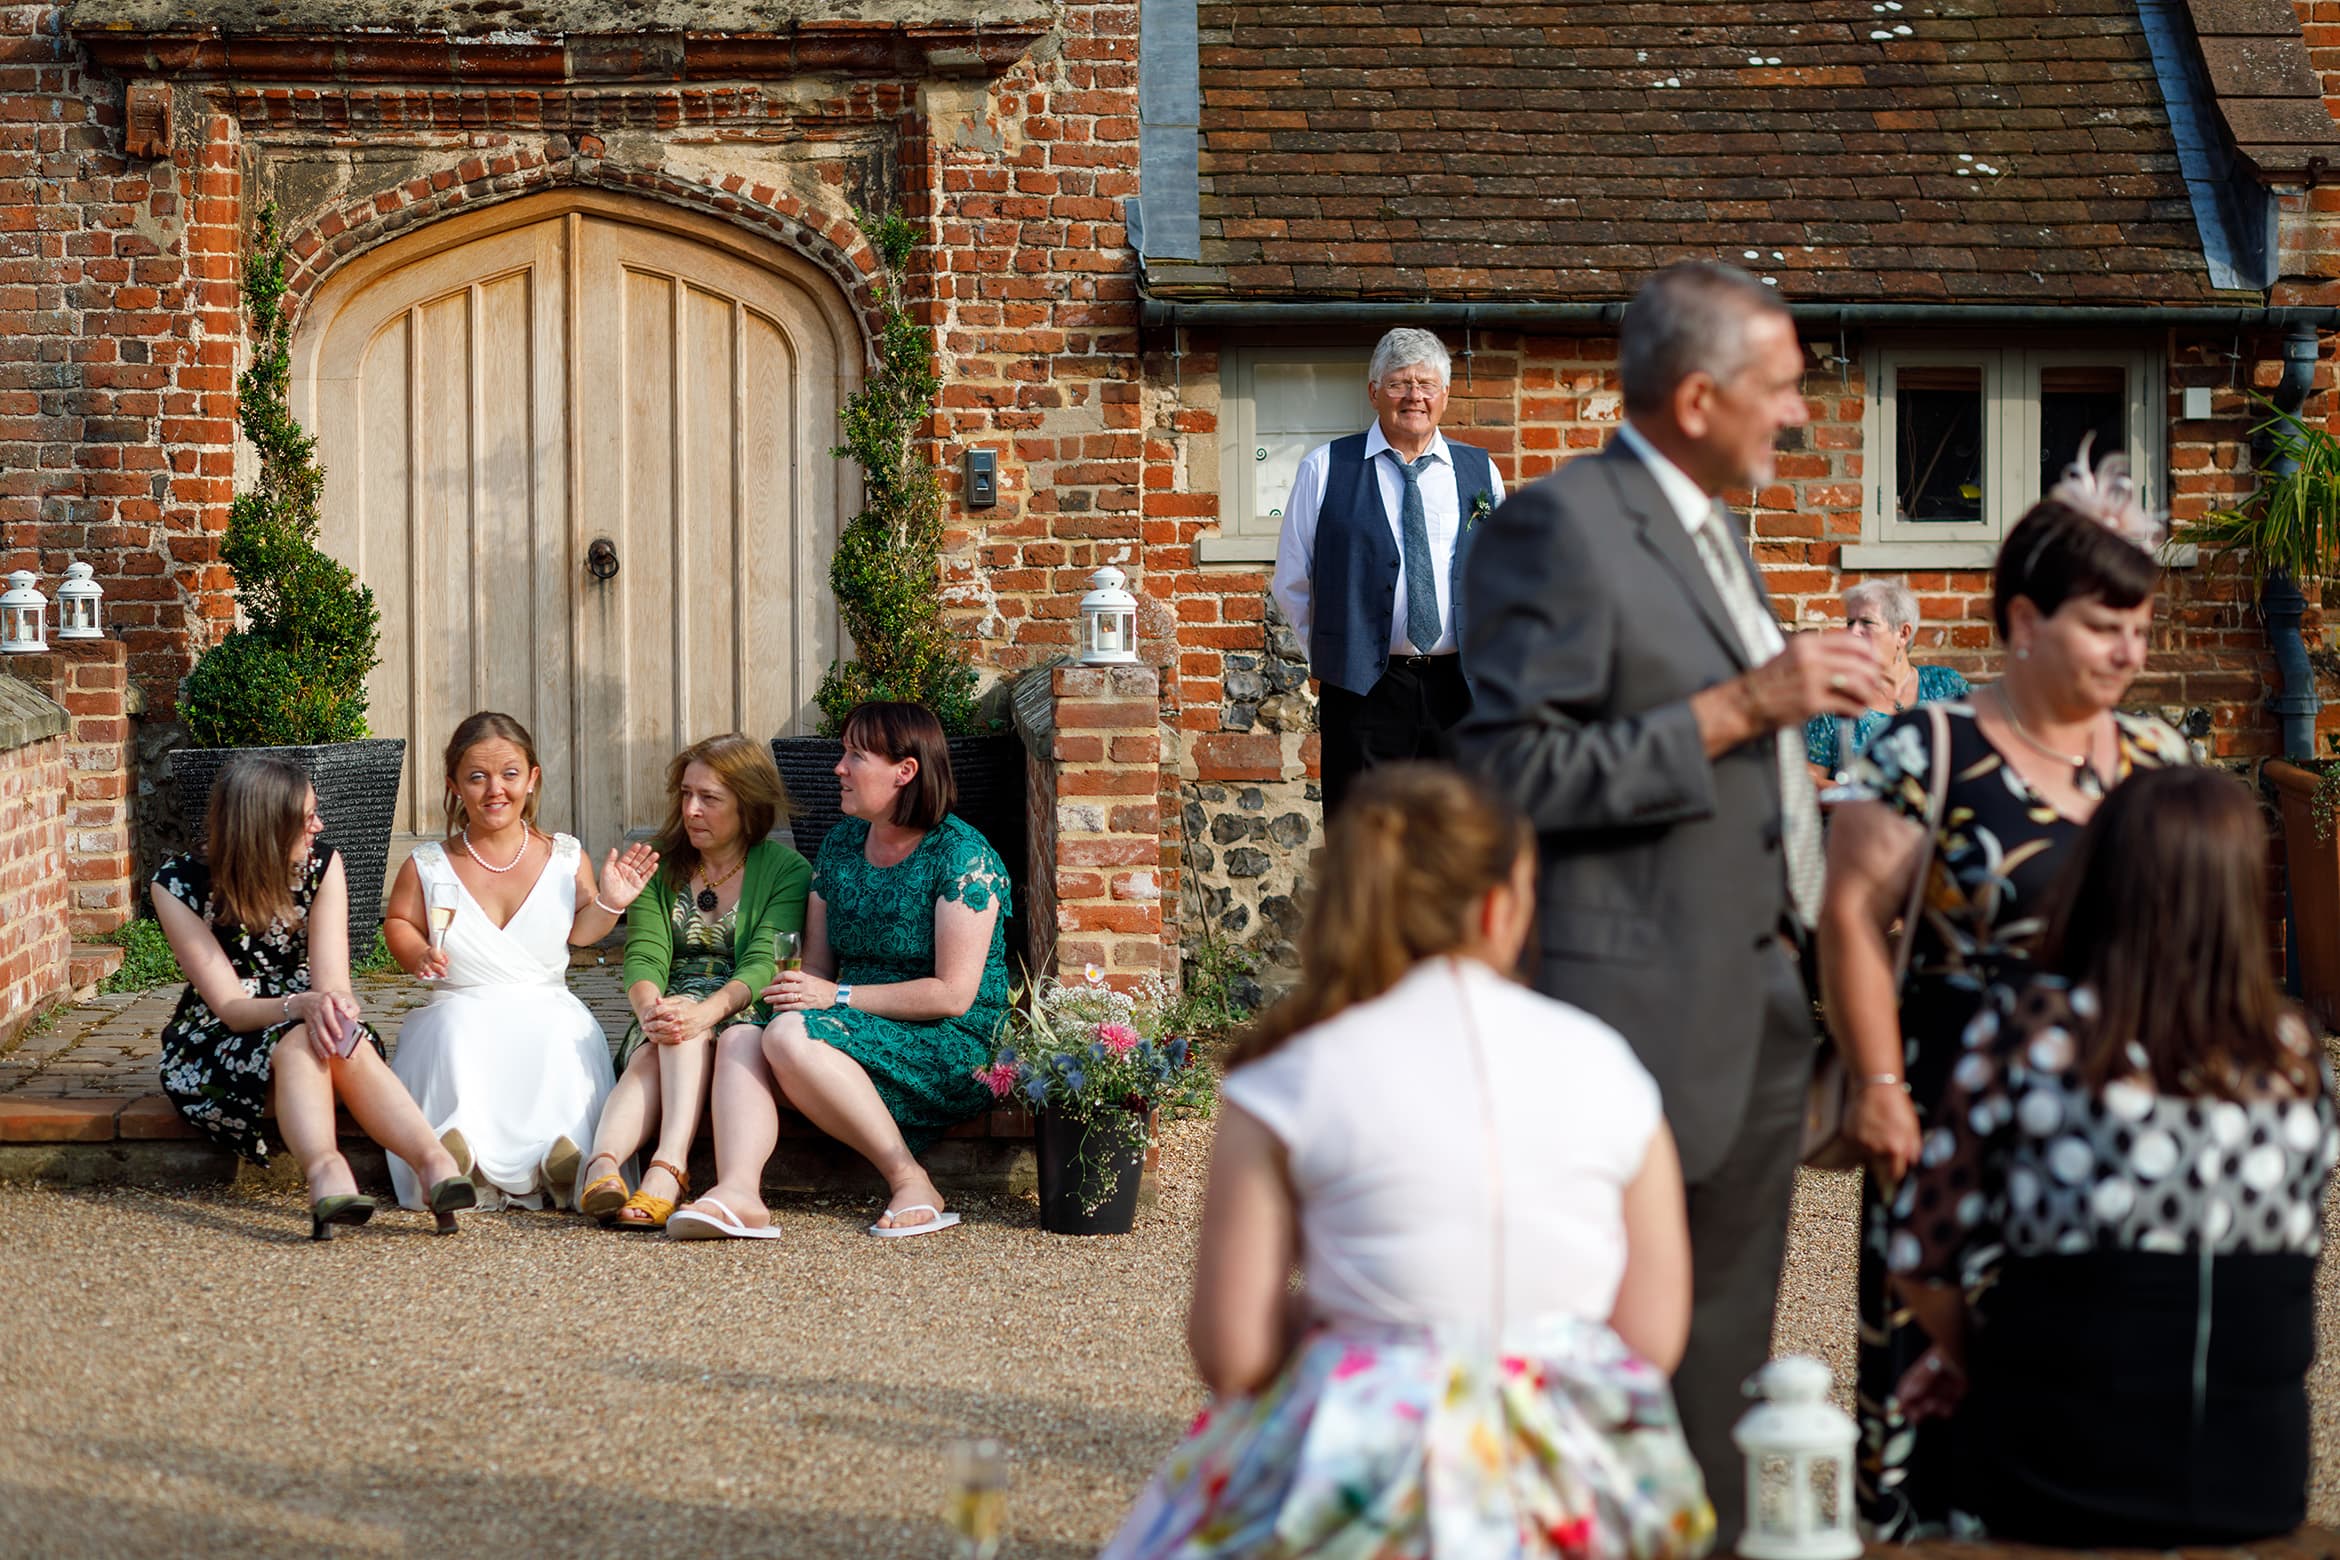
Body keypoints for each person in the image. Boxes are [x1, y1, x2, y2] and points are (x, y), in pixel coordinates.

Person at [1455, 260, 1882, 1544]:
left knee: (1723, 1374)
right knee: (1609, 1371)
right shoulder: (1561, 526)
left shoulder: (1710, 532)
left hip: (1752, 1007)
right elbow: (1508, 773)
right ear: (1698, 397)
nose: (1797, 416)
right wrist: (1748, 702)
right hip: (1628, 1015)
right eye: (1783, 389)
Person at [1100, 764, 1711, 1559]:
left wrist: (1341, 1324)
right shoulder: (1611, 1064)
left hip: (1363, 1467)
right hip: (1576, 1480)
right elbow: (1652, 1337)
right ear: (1501, 908)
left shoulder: (1287, 1073)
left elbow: (1233, 1350)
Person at [1818, 453, 2189, 1539]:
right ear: (2023, 620)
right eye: (2103, 625)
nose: (2130, 651)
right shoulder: (1925, 749)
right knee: (1933, 1387)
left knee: (2093, 1387)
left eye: (2141, 627)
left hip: (2116, 1124)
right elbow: (1849, 916)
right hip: (1945, 1114)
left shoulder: (2156, 756)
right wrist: (1879, 1085)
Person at [1886, 767, 2337, 1546]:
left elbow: (1919, 1255)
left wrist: (1974, 1359)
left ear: (2104, 878)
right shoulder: (2296, 1056)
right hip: (2254, 1478)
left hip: (2058, 1474)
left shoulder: (2032, 1033)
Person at [670, 701, 1009, 1240]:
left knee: (787, 1034)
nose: (838, 768)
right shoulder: (842, 844)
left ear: (905, 771)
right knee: (739, 1038)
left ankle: (911, 1180)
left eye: (856, 755)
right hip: (850, 1024)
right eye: (843, 753)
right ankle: (738, 1195)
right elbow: (819, 968)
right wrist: (789, 991)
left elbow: (953, 995)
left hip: (945, 1043)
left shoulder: (963, 857)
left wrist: (835, 996)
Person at [151, 753, 473, 1240]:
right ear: (264, 828)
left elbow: (332, 983)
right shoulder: (178, 885)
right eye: (305, 820)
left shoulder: (323, 865)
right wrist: (300, 1006)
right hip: (220, 1046)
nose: (319, 826)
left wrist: (333, 1008)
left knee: (338, 1035)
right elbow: (231, 1009)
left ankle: (431, 1165)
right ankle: (327, 1168)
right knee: (303, 1039)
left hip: (312, 1024)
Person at [380, 712, 658, 1211]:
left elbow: (583, 933)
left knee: (558, 1031)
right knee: (454, 1030)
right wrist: (417, 951)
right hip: (460, 998)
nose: (495, 790)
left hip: (544, 996)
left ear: (532, 779)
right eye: (477, 777)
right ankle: (455, 1154)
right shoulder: (427, 863)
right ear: (454, 785)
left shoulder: (566, 856)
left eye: (509, 774)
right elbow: (399, 921)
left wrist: (612, 902)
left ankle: (561, 1156)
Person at [574, 733, 810, 1230]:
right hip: (668, 1006)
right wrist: (647, 1010)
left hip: (742, 1008)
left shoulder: (787, 870)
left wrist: (704, 1011)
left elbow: (763, 963)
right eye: (686, 794)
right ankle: (610, 1169)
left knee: (682, 1021)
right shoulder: (659, 861)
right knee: (662, 1032)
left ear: (747, 804)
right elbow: (644, 954)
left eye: (709, 798)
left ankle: (658, 1163)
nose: (692, 810)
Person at [1270, 326, 1504, 817]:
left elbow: (1504, 576)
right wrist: (1344, 652)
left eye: (1427, 385)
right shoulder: (1324, 468)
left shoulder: (1481, 472)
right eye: (1399, 383)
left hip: (1458, 694)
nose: (1414, 396)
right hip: (1363, 694)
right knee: (1364, 847)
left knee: (1458, 843)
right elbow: (1292, 582)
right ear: (1374, 392)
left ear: (1445, 395)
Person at [1803, 577, 1970, 780]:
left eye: (1867, 622)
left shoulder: (1947, 687)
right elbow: (1809, 781)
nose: (1853, 632)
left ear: (1903, 633)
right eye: (1850, 623)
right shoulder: (1838, 698)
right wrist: (1864, 798)